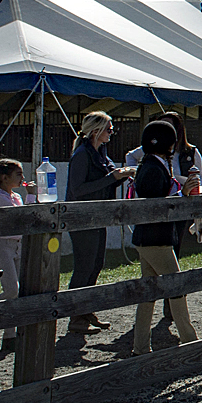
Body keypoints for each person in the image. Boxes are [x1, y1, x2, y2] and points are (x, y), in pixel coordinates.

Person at [129, 120, 199, 355]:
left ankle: (140, 345)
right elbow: (157, 203)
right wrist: (183, 193)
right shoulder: (152, 167)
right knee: (176, 286)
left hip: (151, 237)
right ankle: (189, 339)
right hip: (155, 237)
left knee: (149, 292)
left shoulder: (153, 164)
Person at [65, 111, 134, 333]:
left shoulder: (100, 153)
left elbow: (103, 184)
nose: (111, 133)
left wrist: (118, 178)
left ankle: (86, 309)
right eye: (108, 129)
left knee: (96, 265)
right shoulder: (82, 155)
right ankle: (76, 316)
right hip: (82, 218)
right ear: (96, 130)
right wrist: (111, 178)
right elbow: (78, 190)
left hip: (98, 216)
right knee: (84, 267)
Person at [0, 159, 31, 349]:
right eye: (18, 174)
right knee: (11, 288)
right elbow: (18, 220)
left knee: (17, 290)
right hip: (2, 245)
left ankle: (10, 335)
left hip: (16, 245)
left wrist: (29, 197)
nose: (22, 178)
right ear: (5, 178)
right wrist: (30, 197)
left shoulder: (16, 197)